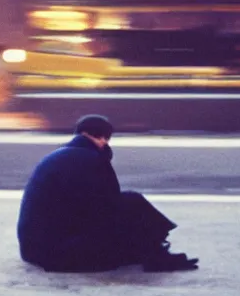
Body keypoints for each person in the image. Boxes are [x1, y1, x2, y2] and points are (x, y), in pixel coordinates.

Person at [17, 114, 199, 272]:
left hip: (35, 249)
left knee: (126, 217)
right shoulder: (91, 159)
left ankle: (155, 253)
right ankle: (157, 256)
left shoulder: (61, 156)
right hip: (55, 254)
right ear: (104, 138)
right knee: (132, 203)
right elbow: (109, 206)